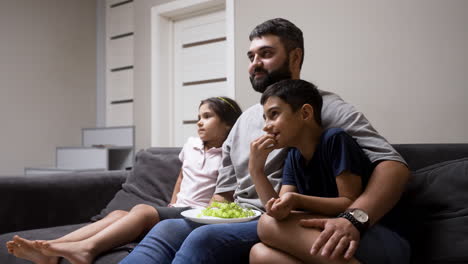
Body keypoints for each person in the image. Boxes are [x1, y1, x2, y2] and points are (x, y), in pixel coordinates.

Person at [120, 18, 410, 264]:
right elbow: (224, 194)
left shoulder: (326, 110)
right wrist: (205, 213)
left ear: (295, 57)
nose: (255, 64)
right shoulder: (244, 121)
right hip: (250, 216)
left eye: (266, 54)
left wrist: (353, 219)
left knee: (203, 239)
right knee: (165, 229)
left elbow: (393, 166)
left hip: (280, 220)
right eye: (251, 57)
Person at [5, 96, 242, 264]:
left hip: (198, 214)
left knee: (142, 210)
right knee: (118, 215)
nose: (199, 122)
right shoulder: (190, 145)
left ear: (228, 124)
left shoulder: (229, 156)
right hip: (177, 208)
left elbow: (225, 194)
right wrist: (171, 204)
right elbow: (182, 176)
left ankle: (87, 249)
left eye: (207, 117)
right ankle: (52, 249)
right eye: (198, 117)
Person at [249, 79, 374, 264]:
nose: (266, 126)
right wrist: (256, 170)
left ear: (305, 113)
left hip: (365, 234)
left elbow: (350, 203)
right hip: (324, 233)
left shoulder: (335, 140)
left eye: (274, 114)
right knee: (259, 254)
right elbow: (278, 212)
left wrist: (298, 200)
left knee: (266, 224)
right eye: (265, 118)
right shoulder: (293, 155)